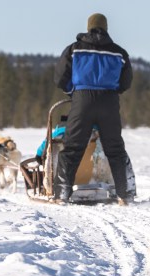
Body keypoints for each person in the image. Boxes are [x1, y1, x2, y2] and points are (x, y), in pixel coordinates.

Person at [53, 13, 134, 205]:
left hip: (82, 101)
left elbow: (60, 78)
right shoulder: (119, 53)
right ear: (106, 28)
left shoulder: (74, 49)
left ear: (89, 27)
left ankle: (61, 195)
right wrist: (113, 91)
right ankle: (123, 195)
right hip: (109, 102)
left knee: (72, 148)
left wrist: (73, 92)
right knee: (115, 149)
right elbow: (126, 82)